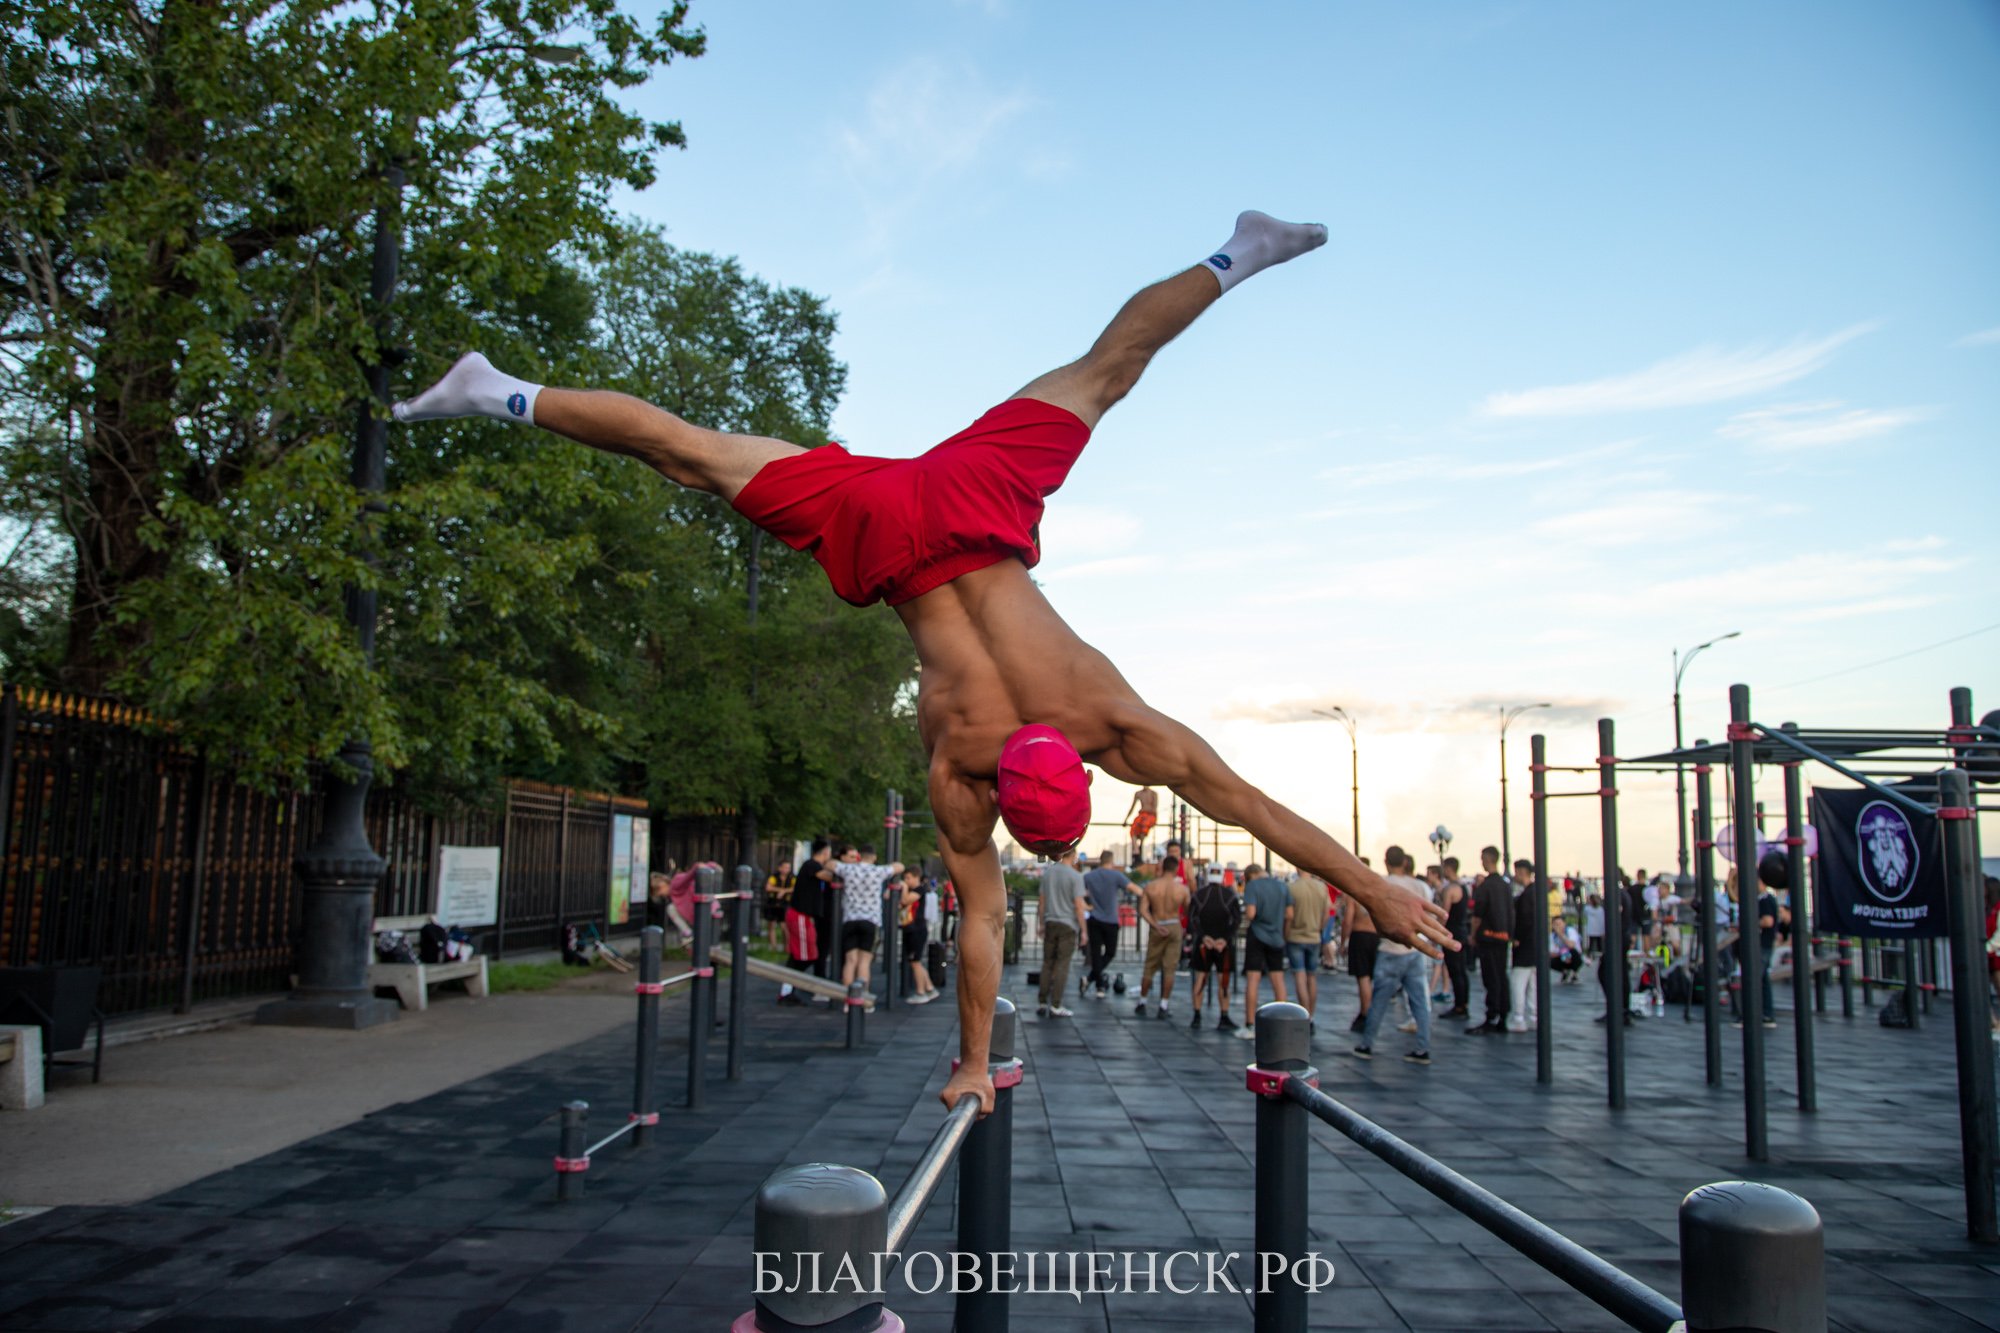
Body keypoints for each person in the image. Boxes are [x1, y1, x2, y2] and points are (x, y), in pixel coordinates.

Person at [395, 210, 1454, 1113]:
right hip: (891, 535)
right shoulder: (961, 767)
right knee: (695, 454)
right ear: (1052, 786)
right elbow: (988, 916)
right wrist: (973, 1061)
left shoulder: (1101, 719)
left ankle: (1238, 252)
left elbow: (1248, 804)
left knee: (1106, 369)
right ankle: (498, 393)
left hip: (966, 500)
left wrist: (1367, 884)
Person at [1353, 847, 1433, 1064]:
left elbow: (1366, 912)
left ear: (1386, 861)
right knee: (1419, 1002)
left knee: (1379, 999)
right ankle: (1423, 1047)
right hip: (1416, 950)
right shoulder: (1421, 886)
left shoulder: (1384, 884)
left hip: (1391, 949)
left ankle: (1367, 1044)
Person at [827, 844, 899, 993]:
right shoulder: (878, 871)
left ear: (859, 856)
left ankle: (848, 999)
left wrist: (846, 863)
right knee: (864, 962)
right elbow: (900, 866)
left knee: (850, 961)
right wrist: (890, 865)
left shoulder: (849, 869)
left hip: (850, 919)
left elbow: (830, 864)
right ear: (874, 857)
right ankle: (862, 997)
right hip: (870, 919)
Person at [1238, 864, 1292, 1039]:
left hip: (1258, 936)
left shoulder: (1253, 886)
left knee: (1253, 979)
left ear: (1250, 876)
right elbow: (1289, 914)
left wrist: (1249, 914)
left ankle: (1250, 1025)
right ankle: (1282, 1024)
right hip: (1276, 937)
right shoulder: (1282, 886)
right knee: (1278, 980)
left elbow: (1251, 914)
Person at [1134, 855, 1190, 1018]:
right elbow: (1187, 910)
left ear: (1163, 868)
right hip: (1173, 925)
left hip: (1157, 925)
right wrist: (1178, 920)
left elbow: (1143, 910)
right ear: (1175, 869)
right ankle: (1163, 1005)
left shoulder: (1151, 887)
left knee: (1150, 966)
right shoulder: (1182, 889)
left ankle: (1142, 1002)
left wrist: (1155, 925)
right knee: (1170, 968)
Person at [1188, 865, 1241, 1030]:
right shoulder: (1229, 896)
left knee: (1201, 979)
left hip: (1205, 943)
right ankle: (1223, 1016)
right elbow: (1236, 920)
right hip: (1221, 945)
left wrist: (1204, 937)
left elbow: (1192, 919)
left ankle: (1197, 1015)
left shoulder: (1199, 895)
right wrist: (1224, 939)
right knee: (1223, 980)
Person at [1037, 847, 1088, 1017]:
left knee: (1047, 963)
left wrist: (1041, 923)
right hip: (1068, 925)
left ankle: (1042, 1002)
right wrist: (1084, 931)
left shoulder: (1048, 874)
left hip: (1051, 922)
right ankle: (1056, 1005)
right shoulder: (1076, 876)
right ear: (1073, 856)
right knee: (1062, 965)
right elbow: (1079, 906)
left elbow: (1042, 902)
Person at [1468, 845, 1513, 1035]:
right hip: (1503, 937)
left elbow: (1477, 915)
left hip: (1487, 937)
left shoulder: (1485, 887)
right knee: (1501, 976)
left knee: (1491, 977)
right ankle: (1503, 1015)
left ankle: (1492, 1015)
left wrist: (1472, 934)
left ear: (1487, 859)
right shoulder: (1505, 885)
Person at [783, 841, 830, 1004]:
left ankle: (789, 988)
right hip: (800, 915)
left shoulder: (811, 866)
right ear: (825, 852)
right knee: (805, 956)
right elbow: (828, 876)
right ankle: (789, 987)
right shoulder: (811, 865)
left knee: (803, 954)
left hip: (804, 916)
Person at [1081, 850, 1133, 999]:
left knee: (1096, 953)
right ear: (1112, 860)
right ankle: (1096, 983)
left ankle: (1096, 983)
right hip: (1111, 920)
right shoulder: (1116, 875)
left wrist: (1087, 906)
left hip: (1094, 919)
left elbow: (1078, 894)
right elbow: (1133, 888)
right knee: (1110, 952)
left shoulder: (1089, 876)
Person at [1286, 870, 1330, 1026]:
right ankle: (1311, 1015)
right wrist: (1319, 929)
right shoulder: (1321, 887)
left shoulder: (1292, 888)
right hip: (1314, 937)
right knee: (1312, 976)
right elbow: (1327, 913)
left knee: (1299, 975)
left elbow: (1289, 915)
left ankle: (1303, 1013)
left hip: (1295, 936)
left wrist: (1286, 933)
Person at [898, 868, 942, 1005]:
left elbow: (905, 901)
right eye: (905, 878)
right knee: (916, 962)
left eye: (908, 878)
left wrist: (904, 888)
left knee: (915, 962)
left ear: (916, 877)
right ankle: (929, 988)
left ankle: (920, 992)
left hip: (917, 929)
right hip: (911, 929)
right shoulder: (913, 890)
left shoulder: (919, 890)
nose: (906, 881)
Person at [1506, 859, 1540, 1033]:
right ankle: (1534, 1016)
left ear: (1521, 871)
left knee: (1518, 982)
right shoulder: (1535, 892)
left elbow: (1525, 920)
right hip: (1535, 944)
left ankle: (1519, 1017)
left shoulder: (1527, 895)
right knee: (1533, 983)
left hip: (1525, 946)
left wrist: (1517, 937)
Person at [1341, 885, 1380, 1033]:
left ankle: (1365, 1013)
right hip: (1375, 937)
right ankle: (1367, 1011)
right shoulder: (1376, 893)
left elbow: (1348, 920)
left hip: (1360, 935)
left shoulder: (1355, 894)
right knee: (1369, 977)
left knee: (1363, 977)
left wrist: (1344, 942)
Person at [1438, 862, 1470, 1019]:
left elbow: (1444, 914)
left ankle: (1459, 1007)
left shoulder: (1451, 889)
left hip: (1452, 933)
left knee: (1455, 971)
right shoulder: (1464, 887)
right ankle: (1463, 1004)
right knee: (1461, 971)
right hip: (1462, 931)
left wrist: (1437, 932)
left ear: (1449, 869)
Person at [763, 860, 794, 950]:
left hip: (785, 904)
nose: (787, 869)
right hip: (773, 903)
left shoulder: (792, 877)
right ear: (779, 868)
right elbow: (768, 887)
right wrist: (780, 890)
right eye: (785, 867)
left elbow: (795, 888)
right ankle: (773, 947)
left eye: (788, 867)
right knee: (771, 924)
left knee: (784, 926)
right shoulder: (774, 877)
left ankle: (787, 947)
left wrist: (784, 891)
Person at [1126, 786, 1160, 864]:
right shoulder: (1138, 793)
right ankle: (1136, 851)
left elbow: (1155, 807)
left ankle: (1139, 850)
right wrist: (1126, 819)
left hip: (1150, 815)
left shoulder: (1153, 794)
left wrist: (1155, 819)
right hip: (1142, 815)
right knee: (1133, 830)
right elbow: (1132, 807)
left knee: (1143, 829)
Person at [1583, 892, 1605, 957]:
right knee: (1599, 943)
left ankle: (1589, 955)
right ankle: (1600, 955)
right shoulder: (1601, 909)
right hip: (1599, 928)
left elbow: (1584, 914)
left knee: (1591, 943)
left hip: (1591, 928)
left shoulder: (1587, 908)